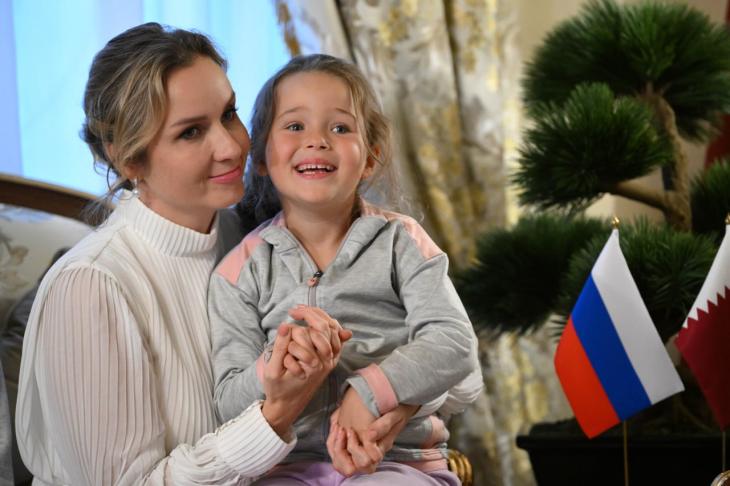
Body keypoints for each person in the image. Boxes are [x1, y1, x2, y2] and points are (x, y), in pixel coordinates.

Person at [15, 23, 354, 486]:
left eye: (229, 114)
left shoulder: (255, 237)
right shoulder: (90, 286)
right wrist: (275, 417)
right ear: (127, 159)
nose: (232, 146)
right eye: (191, 132)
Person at [208, 54, 483, 485]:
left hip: (398, 461)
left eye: (340, 128)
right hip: (286, 468)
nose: (317, 141)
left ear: (370, 157)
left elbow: (454, 342)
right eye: (294, 126)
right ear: (260, 156)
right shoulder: (238, 270)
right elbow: (228, 401)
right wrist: (274, 366)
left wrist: (369, 392)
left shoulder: (402, 242)